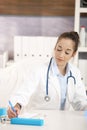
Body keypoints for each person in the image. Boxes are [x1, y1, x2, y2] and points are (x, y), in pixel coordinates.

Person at [7, 31, 87, 118]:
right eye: (59, 49)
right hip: (40, 119)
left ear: (73, 54)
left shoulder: (75, 73)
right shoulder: (39, 69)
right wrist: (17, 106)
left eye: (67, 52)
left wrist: (85, 107)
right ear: (55, 48)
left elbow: (80, 102)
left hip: (63, 120)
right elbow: (24, 92)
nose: (61, 55)